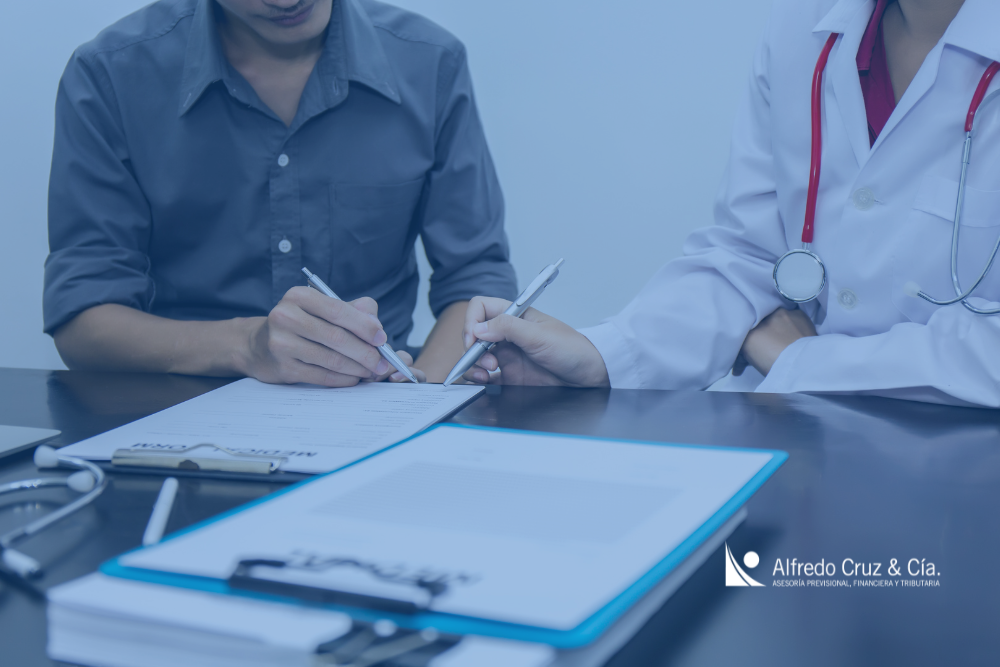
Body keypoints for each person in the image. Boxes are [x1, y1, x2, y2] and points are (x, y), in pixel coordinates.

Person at [461, 0, 1000, 408]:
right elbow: (751, 256)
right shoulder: (804, 26)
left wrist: (802, 361)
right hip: (801, 431)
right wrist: (604, 356)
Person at [44, 0, 516, 385]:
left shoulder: (431, 62)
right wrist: (245, 346)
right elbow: (84, 320)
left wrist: (421, 397)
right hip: (182, 414)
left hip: (378, 403)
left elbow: (475, 277)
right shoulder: (110, 74)